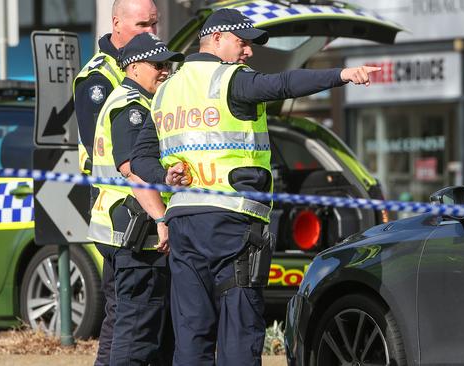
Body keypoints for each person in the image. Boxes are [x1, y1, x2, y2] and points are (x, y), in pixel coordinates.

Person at [130, 8, 379, 366]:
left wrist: (164, 177)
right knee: (240, 331)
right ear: (216, 39)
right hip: (231, 224)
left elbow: (139, 158)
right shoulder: (230, 79)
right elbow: (283, 84)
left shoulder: (166, 91)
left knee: (192, 333)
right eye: (242, 42)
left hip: (184, 225)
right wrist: (343, 74)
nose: (248, 52)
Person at [88, 32, 184, 365]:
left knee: (119, 326)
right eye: (157, 64)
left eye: (167, 64)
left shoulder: (131, 100)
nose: (165, 71)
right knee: (138, 333)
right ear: (133, 67)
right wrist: (161, 219)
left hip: (118, 230)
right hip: (136, 235)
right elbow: (133, 169)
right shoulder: (132, 106)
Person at [72, 1, 158, 364]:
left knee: (125, 316)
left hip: (140, 205)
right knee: (125, 316)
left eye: (154, 22)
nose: (150, 31)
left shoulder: (151, 63)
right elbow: (113, 151)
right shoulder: (100, 75)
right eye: (142, 24)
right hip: (120, 211)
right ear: (117, 23)